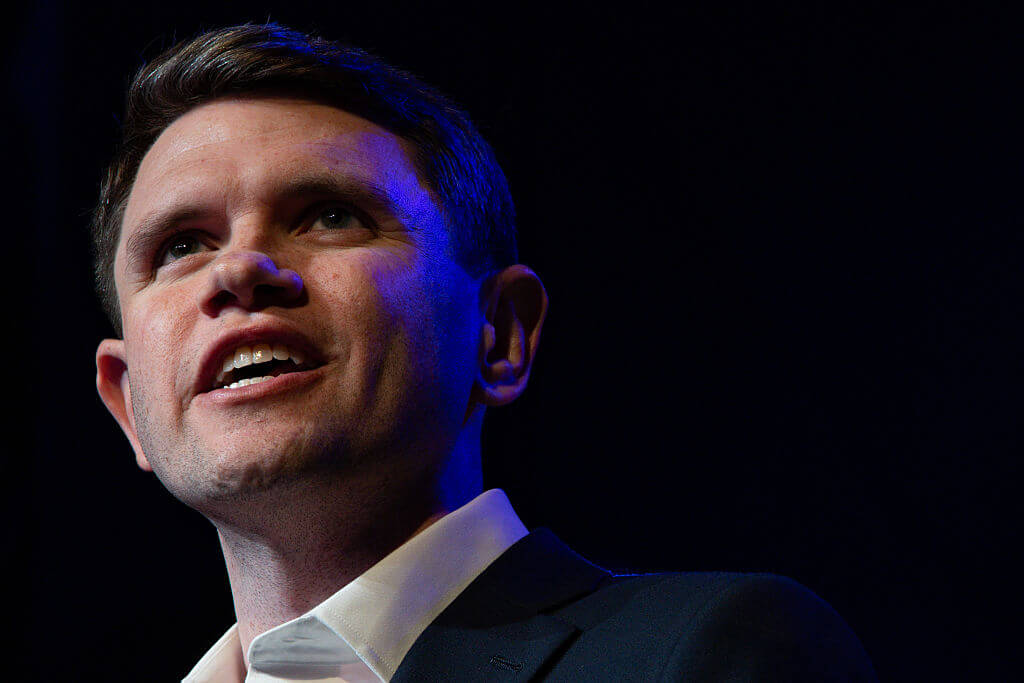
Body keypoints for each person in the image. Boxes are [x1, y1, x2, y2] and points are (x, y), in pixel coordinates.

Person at [93, 23, 876, 682]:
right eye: (181, 245)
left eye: (329, 215)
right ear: (129, 402)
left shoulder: (713, 653)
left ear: (498, 332)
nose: (239, 270)